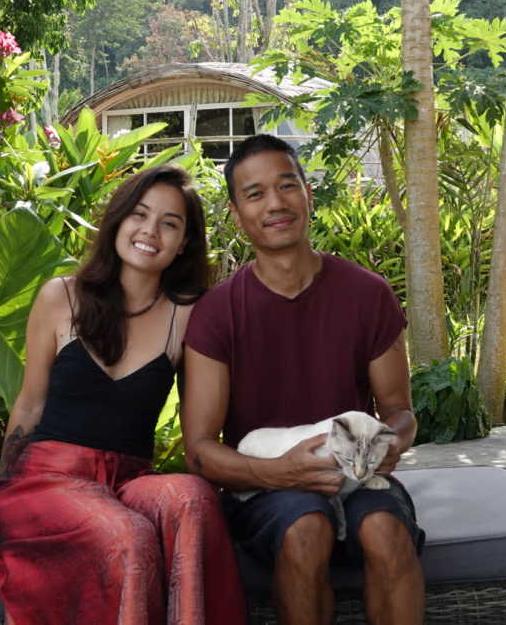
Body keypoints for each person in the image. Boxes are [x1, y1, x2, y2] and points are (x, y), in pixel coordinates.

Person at [0, 165, 246, 625]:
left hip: (128, 480)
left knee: (192, 496)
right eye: (139, 214)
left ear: (184, 242)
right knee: (127, 535)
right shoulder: (61, 296)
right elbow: (29, 404)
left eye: (169, 223)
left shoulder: (188, 313)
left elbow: (203, 421)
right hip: (48, 479)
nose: (150, 231)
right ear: (118, 220)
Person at [181, 134, 425, 625]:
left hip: (356, 476)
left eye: (287, 185)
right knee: (305, 528)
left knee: (384, 529)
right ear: (237, 214)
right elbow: (200, 450)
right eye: (255, 194)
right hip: (264, 490)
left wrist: (389, 443)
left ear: (308, 194)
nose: (276, 203)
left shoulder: (367, 294)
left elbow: (400, 410)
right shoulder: (216, 312)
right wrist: (280, 474)